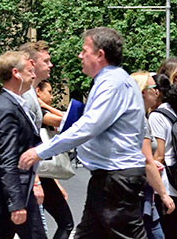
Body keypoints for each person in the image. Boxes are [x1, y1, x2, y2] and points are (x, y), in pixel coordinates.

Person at [19, 27, 148, 238]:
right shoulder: (107, 81)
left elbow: (88, 126)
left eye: (84, 50)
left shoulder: (112, 84)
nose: (80, 55)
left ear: (100, 55)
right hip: (108, 177)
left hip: (116, 177)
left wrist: (40, 151)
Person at [0, 50, 46, 239]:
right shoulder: (6, 109)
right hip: (16, 190)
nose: (33, 74)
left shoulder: (13, 103)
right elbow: (8, 159)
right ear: (16, 73)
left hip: (17, 188)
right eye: (30, 70)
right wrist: (17, 203)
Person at [20, 41, 71, 239]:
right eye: (46, 61)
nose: (51, 65)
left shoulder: (30, 94)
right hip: (27, 177)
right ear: (32, 63)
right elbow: (23, 142)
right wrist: (36, 182)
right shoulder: (25, 96)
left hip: (35, 174)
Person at [149, 74, 177, 239]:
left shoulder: (157, 116)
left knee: (165, 231)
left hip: (168, 184)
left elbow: (159, 155)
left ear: (156, 92)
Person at [131, 71, 175, 239]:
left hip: (142, 192)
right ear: (142, 91)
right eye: (153, 87)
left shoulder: (138, 116)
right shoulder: (140, 119)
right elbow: (147, 160)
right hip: (139, 194)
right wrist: (163, 193)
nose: (157, 92)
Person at [35, 80, 74, 239]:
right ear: (38, 92)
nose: (51, 96)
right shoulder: (39, 113)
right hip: (37, 177)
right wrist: (44, 106)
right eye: (49, 92)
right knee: (65, 223)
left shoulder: (41, 110)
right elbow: (67, 121)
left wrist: (56, 184)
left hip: (43, 176)